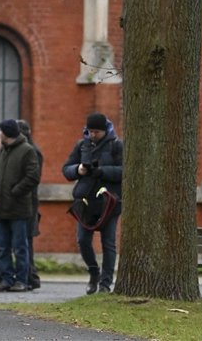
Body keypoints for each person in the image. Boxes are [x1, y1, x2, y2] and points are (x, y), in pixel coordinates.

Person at [62, 112, 123, 295]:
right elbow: (66, 169)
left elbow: (124, 170)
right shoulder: (82, 146)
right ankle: (93, 272)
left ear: (105, 130)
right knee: (83, 240)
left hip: (109, 202)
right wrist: (78, 170)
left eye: (97, 131)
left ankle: (105, 283)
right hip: (86, 201)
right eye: (91, 131)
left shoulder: (116, 146)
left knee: (108, 243)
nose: (93, 135)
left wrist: (102, 171)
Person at [0, 119, 39, 292]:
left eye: (1, 131)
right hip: (0, 207)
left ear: (6, 133)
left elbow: (32, 177)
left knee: (20, 247)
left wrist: (15, 192)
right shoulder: (1, 152)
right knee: (2, 247)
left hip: (19, 208)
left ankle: (22, 280)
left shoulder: (27, 151)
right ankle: (6, 278)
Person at [17, 119, 43, 290]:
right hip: (28, 201)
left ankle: (31, 275)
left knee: (25, 240)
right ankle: (31, 275)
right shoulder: (33, 150)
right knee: (25, 240)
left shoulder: (31, 152)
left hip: (28, 202)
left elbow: (32, 178)